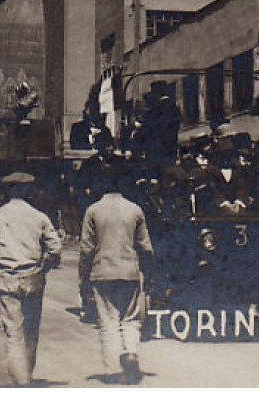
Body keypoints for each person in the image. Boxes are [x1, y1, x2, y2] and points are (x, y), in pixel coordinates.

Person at [0, 172, 62, 386]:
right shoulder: (39, 216)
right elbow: (55, 248)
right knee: (31, 330)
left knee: (13, 330)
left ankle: (20, 379)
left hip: (6, 277)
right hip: (33, 277)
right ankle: (28, 373)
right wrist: (44, 267)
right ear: (26, 190)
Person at [79, 162, 152, 384]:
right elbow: (146, 247)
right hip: (130, 271)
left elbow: (86, 249)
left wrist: (83, 277)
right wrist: (147, 273)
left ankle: (112, 370)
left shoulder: (93, 210)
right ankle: (130, 351)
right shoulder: (135, 209)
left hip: (102, 272)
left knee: (108, 321)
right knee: (130, 318)